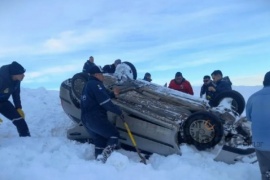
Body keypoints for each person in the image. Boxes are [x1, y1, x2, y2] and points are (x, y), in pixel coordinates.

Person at [80, 65, 123, 163]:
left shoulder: (87, 85)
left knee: (99, 138)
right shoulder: (96, 84)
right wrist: (118, 111)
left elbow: (102, 96)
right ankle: (104, 157)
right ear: (96, 75)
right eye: (101, 74)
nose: (103, 77)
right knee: (114, 134)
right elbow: (105, 103)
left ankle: (98, 161)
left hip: (86, 120)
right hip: (95, 117)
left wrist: (113, 94)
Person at [246, 71, 270, 180]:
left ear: (263, 82)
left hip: (260, 142)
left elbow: (249, 118)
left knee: (265, 172)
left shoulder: (253, 97)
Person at [0, 61, 30, 137]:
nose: (23, 75)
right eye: (21, 74)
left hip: (3, 102)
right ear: (15, 74)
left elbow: (16, 94)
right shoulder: (1, 79)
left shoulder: (16, 81)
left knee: (19, 119)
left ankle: (26, 138)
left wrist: (18, 108)